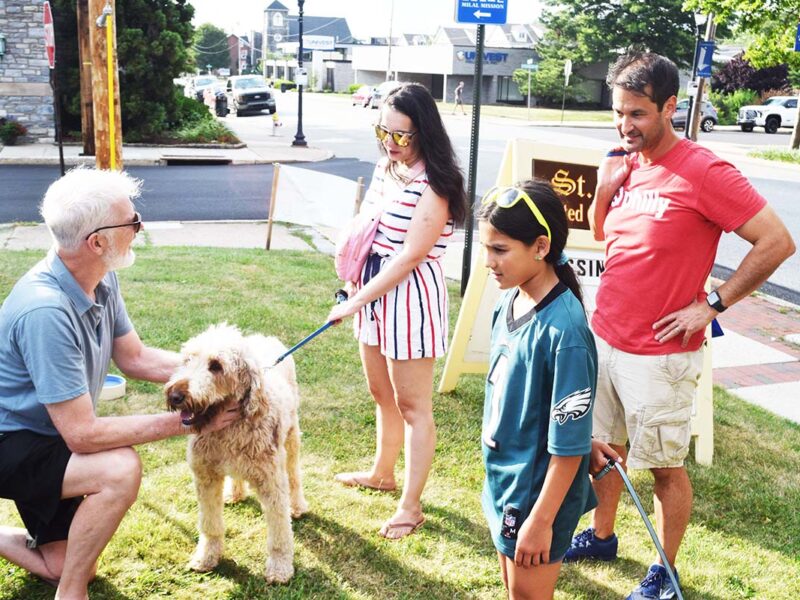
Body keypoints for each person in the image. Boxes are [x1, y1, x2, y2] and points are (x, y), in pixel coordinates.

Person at [564, 51, 795, 600]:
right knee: (601, 448)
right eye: (618, 112)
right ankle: (601, 537)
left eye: (638, 114)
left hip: (661, 352)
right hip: (607, 333)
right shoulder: (625, 160)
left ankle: (664, 571)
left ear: (670, 107)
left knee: (663, 467)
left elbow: (778, 242)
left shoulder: (705, 171)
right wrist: (604, 183)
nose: (625, 125)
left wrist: (713, 304)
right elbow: (603, 233)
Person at [0, 167, 240, 600]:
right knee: (118, 468)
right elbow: (83, 434)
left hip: (47, 438)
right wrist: (192, 421)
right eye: (131, 221)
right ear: (97, 242)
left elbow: (135, 358)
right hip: (13, 442)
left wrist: (218, 374)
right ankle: (70, 594)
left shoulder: (99, 276)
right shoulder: (46, 312)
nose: (139, 226)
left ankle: (67, 576)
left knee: (58, 563)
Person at [328, 82, 467, 540]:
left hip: (409, 298)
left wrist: (355, 300)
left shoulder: (437, 184)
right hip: (370, 287)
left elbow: (409, 256)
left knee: (413, 406)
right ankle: (381, 473)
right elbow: (367, 227)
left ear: (424, 132)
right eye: (383, 132)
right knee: (381, 393)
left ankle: (411, 506)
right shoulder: (388, 168)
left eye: (402, 136)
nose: (391, 143)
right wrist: (353, 279)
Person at [477, 180, 599, 599]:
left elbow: (567, 450)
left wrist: (541, 520)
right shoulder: (507, 302)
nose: (488, 262)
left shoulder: (565, 330)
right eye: (486, 248)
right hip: (504, 480)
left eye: (500, 250)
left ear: (541, 247)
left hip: (535, 498)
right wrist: (588, 437)